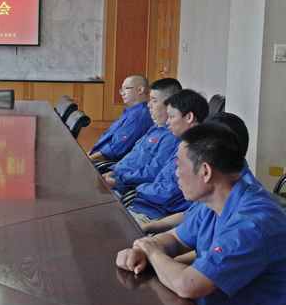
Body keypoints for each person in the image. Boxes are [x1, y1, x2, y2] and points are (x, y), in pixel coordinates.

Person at [116, 123, 286, 305]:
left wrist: (151, 251)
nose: (176, 173)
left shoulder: (253, 223)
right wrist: (140, 251)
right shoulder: (213, 201)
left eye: (179, 165)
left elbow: (188, 285)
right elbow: (175, 238)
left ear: (205, 171)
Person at [141, 112, 262, 234]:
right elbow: (190, 217)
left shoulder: (246, 207)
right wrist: (149, 228)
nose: (177, 173)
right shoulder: (217, 184)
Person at [124, 89, 209, 224]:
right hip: (143, 205)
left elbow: (167, 193)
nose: (168, 122)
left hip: (154, 215)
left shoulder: (195, 151)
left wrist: (138, 188)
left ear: (189, 117)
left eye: (171, 117)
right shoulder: (183, 143)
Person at [104, 78, 182, 190]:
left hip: (125, 186)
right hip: (114, 174)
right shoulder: (155, 128)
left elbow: (152, 172)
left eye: (154, 101)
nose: (149, 105)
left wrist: (119, 179)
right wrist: (114, 171)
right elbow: (134, 157)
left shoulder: (171, 137)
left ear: (171, 105)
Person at [89, 75, 153, 163]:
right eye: (121, 90)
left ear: (140, 90)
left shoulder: (139, 116)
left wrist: (87, 159)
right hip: (96, 156)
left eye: (126, 88)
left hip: (109, 164)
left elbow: (113, 150)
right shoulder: (131, 111)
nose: (122, 93)